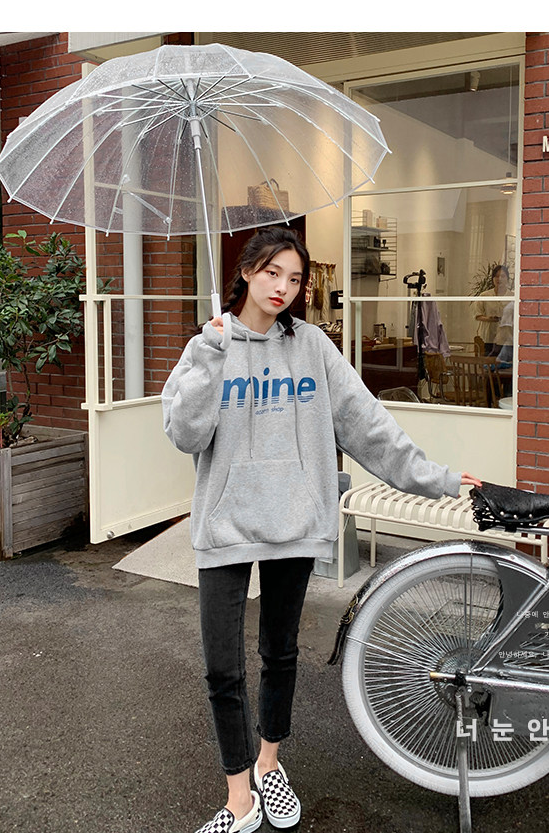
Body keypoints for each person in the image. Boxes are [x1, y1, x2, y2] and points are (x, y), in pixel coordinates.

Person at [161, 227, 482, 833]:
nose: (282, 287)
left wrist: (436, 478)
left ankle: (269, 764)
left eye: (294, 278)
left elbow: (367, 424)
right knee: (222, 669)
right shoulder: (208, 345)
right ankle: (238, 798)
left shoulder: (311, 347)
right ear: (246, 271)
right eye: (271, 272)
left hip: (295, 522)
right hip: (224, 526)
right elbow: (185, 435)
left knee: (279, 654)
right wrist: (209, 356)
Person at [474, 264, 511, 356]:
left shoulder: (512, 296)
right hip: (488, 336)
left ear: (507, 278)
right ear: (493, 279)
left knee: (505, 362)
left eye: (502, 276)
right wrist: (489, 318)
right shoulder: (484, 295)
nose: (499, 279)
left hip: (507, 337)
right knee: (488, 361)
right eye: (496, 276)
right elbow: (477, 315)